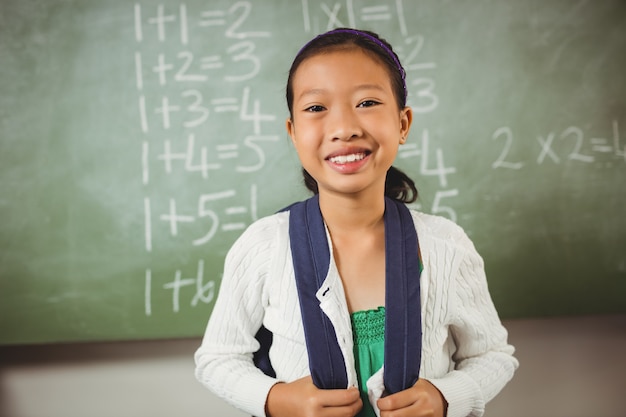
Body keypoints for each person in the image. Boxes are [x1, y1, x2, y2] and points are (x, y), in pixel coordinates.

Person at [195, 28, 518, 417]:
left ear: (403, 123)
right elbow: (217, 358)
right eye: (316, 108)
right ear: (293, 133)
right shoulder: (264, 245)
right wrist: (278, 399)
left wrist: (446, 396)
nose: (345, 127)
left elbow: (492, 355)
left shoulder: (445, 245)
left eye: (366, 102)